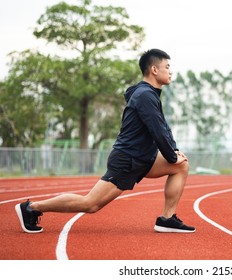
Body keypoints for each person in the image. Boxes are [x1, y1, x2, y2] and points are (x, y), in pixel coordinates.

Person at [15, 49, 195, 234]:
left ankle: (167, 219)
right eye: (167, 66)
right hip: (127, 159)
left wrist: (174, 152)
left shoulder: (149, 94)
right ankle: (32, 207)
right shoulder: (145, 95)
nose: (170, 71)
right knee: (91, 204)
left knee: (181, 166)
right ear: (154, 70)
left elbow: (163, 127)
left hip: (142, 158)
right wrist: (171, 157)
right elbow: (157, 131)